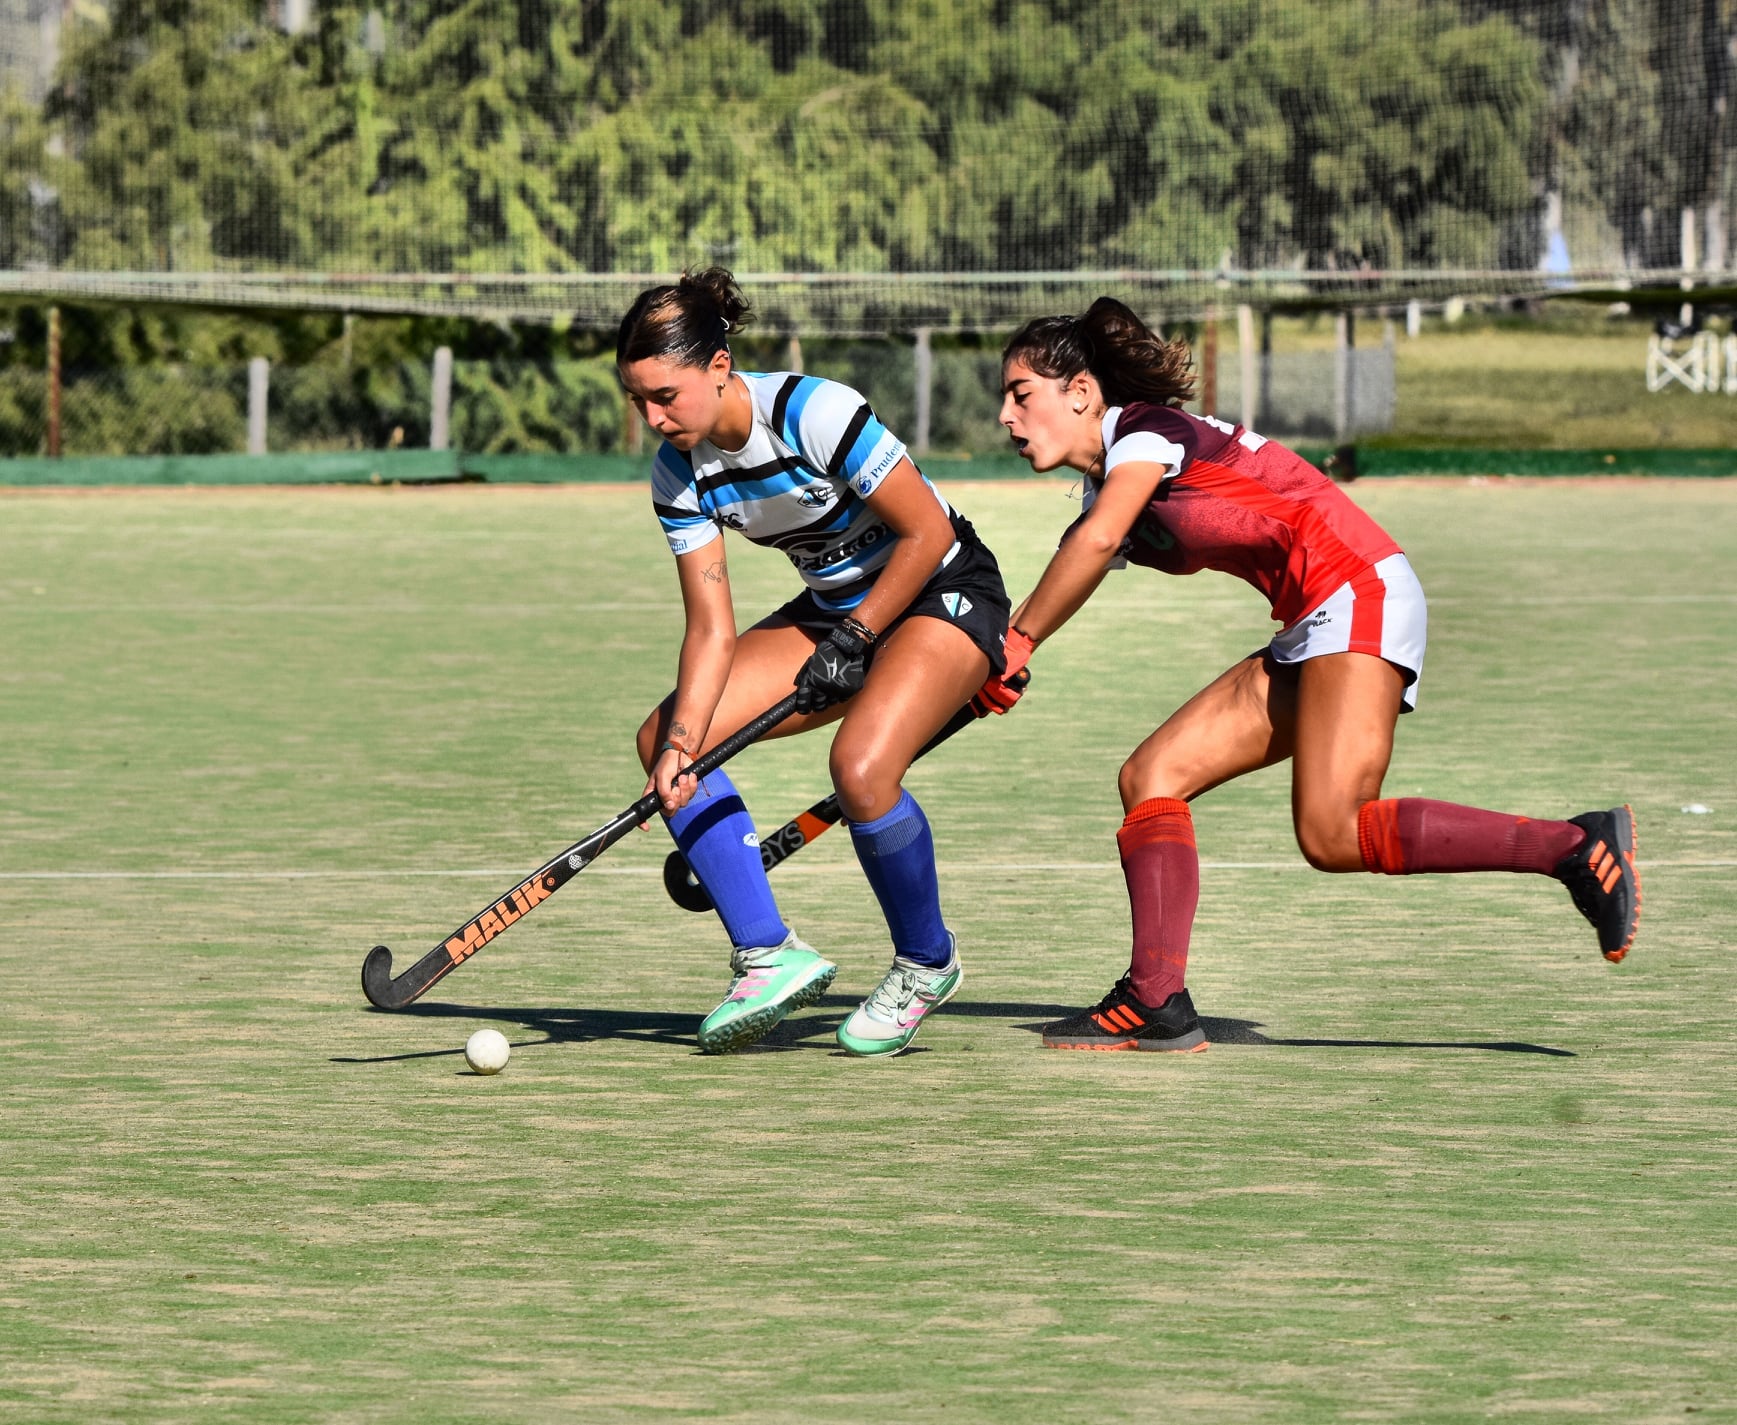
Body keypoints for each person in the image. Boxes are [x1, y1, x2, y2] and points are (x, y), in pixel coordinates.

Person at [975, 297, 1640, 1052]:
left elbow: (1093, 545)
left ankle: (1569, 846)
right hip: (1309, 620)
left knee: (1332, 830)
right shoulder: (1114, 484)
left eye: (1021, 393)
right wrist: (997, 660)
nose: (1006, 414)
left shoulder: (1145, 436)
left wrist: (1019, 640)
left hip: (1357, 589)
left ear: (1082, 393)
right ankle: (1156, 998)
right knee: (1152, 774)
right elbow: (1076, 563)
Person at [617, 268, 1011, 1056]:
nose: (654, 418)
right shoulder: (678, 475)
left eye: (666, 396)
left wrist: (859, 636)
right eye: (638, 401)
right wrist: (682, 745)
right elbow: (710, 629)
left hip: (942, 590)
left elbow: (927, 533)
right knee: (663, 734)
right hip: (837, 614)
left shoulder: (813, 411)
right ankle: (767, 955)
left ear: (719, 369)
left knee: (860, 768)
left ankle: (926, 962)